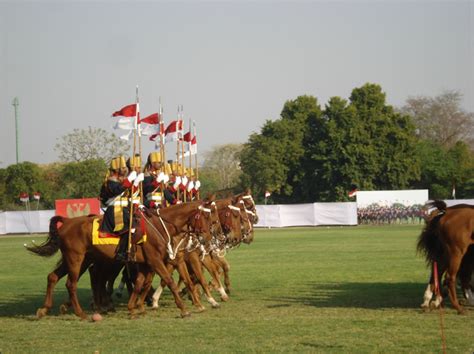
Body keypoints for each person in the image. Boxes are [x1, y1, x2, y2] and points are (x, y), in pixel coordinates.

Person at [99, 156, 143, 261]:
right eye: (122, 168)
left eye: (124, 168)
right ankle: (122, 253)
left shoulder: (121, 181)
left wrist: (135, 183)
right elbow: (117, 191)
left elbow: (130, 194)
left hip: (124, 209)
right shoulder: (110, 181)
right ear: (116, 170)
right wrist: (129, 180)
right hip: (114, 210)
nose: (125, 170)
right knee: (130, 226)